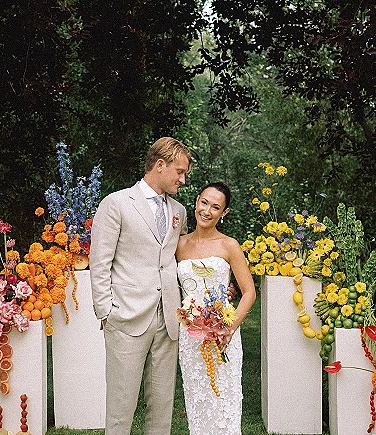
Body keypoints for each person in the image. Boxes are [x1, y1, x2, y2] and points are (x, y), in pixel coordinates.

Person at [89, 137, 191, 435]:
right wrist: (105, 311)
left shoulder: (179, 212)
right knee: (122, 403)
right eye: (179, 172)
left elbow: (177, 260)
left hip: (168, 319)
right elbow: (100, 262)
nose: (183, 180)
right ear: (160, 165)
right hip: (126, 316)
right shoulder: (116, 203)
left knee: (162, 404)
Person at [176, 181, 256, 435]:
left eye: (216, 207)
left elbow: (249, 292)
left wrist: (229, 330)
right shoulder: (178, 245)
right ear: (197, 201)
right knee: (197, 401)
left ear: (224, 213)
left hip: (223, 334)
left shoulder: (229, 245)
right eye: (204, 203)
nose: (207, 211)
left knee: (224, 403)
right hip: (190, 338)